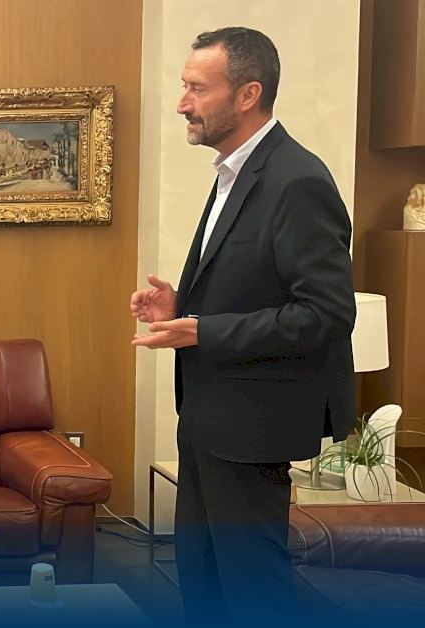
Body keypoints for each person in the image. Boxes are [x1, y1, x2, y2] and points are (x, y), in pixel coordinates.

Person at [131, 27, 355, 622]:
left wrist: (202, 331)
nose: (182, 103)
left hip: (254, 429)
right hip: (209, 421)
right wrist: (181, 308)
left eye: (196, 89)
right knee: (204, 584)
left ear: (248, 93)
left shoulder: (297, 180)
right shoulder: (237, 172)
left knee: (253, 594)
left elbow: (327, 314)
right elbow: (254, 288)